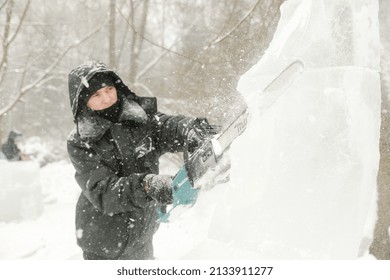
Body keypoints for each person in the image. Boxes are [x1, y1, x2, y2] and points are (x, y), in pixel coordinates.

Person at [67, 61, 217, 260]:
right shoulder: (80, 141)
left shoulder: (140, 119)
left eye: (109, 89)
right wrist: (148, 187)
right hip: (103, 242)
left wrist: (188, 128)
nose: (106, 98)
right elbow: (103, 191)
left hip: (142, 234)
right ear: (83, 101)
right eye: (96, 95)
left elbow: (167, 126)